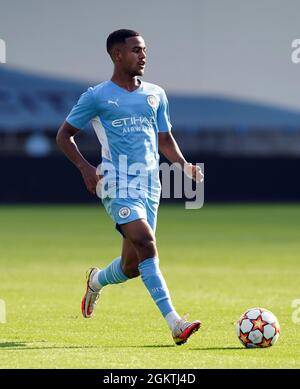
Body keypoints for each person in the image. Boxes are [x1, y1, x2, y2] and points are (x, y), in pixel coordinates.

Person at [56, 29, 204, 345]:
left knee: (132, 266)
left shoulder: (156, 94)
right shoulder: (97, 96)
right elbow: (63, 135)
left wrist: (185, 166)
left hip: (150, 186)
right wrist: (84, 168)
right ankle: (175, 323)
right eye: (136, 50)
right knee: (146, 242)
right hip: (116, 183)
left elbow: (164, 139)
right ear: (117, 54)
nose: (143, 55)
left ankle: (96, 280)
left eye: (145, 49)